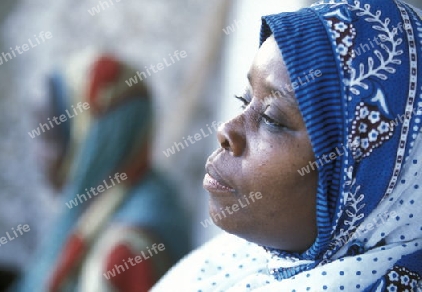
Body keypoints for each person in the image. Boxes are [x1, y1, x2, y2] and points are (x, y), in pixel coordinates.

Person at [151, 0, 422, 290]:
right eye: (244, 100)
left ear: (367, 180)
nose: (226, 130)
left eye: (272, 119)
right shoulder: (236, 262)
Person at [13, 53, 190, 291]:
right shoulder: (113, 199)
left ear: (91, 140)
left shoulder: (125, 251)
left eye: (48, 140)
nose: (37, 156)